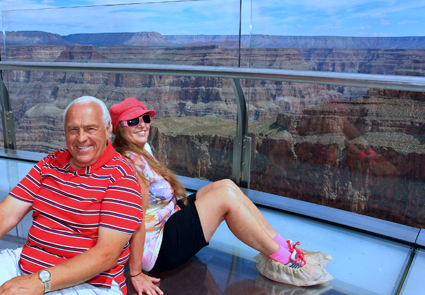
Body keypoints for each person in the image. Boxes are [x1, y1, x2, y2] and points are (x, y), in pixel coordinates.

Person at [0, 96, 143, 295]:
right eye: (73, 129)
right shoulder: (50, 163)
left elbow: (106, 254)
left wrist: (39, 282)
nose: (81, 138)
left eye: (90, 129)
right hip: (26, 264)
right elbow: (5, 214)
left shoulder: (121, 176)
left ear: (107, 130)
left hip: (90, 283)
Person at [109, 97, 306, 295]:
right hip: (160, 249)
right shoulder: (132, 163)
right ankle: (286, 259)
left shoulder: (142, 149)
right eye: (133, 121)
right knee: (225, 197)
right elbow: (135, 220)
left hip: (169, 217)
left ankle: (282, 245)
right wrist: (135, 273)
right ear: (120, 129)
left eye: (145, 118)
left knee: (227, 185)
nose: (142, 124)